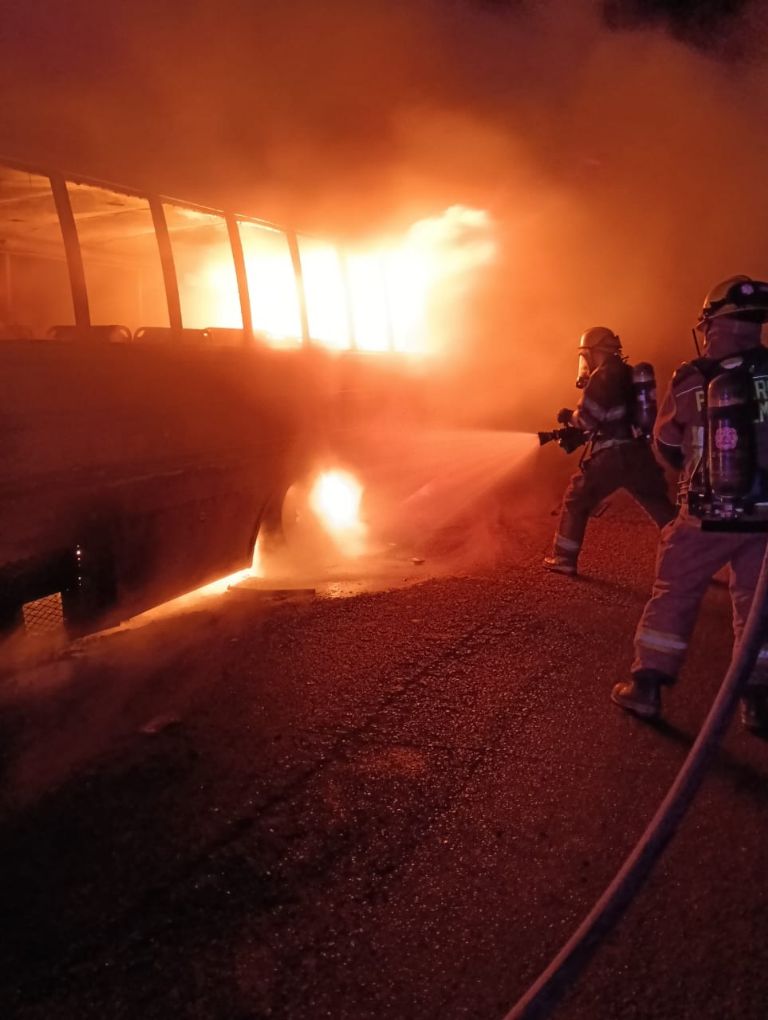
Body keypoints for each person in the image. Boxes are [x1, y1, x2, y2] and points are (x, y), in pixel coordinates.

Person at [612, 276, 768, 730]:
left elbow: (666, 444)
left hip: (704, 516)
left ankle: (646, 687)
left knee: (674, 593)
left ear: (715, 324)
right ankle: (758, 701)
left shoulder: (692, 378)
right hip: (763, 517)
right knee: (757, 605)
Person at [543, 326, 676, 575]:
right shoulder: (628, 374)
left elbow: (587, 419)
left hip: (611, 456)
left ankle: (563, 560)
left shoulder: (603, 376)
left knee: (576, 499)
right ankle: (687, 560)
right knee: (659, 506)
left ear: (593, 352)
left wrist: (568, 417)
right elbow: (617, 416)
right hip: (638, 454)